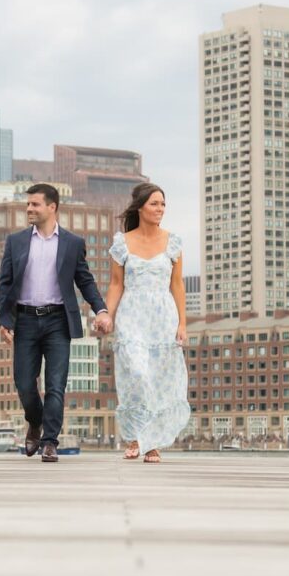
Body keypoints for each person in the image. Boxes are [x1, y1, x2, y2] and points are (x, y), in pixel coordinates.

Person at [0, 183, 112, 462]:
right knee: (24, 384)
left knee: (56, 384)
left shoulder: (72, 243)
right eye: (28, 205)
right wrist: (4, 320)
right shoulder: (16, 241)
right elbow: (5, 284)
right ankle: (34, 422)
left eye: (35, 204)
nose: (29, 209)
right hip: (24, 320)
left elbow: (85, 280)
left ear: (52, 207)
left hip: (58, 320)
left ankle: (50, 441)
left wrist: (102, 310)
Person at [103, 182, 191, 463]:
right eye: (154, 204)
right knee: (136, 374)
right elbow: (116, 284)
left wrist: (182, 323)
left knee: (158, 380)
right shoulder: (122, 242)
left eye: (163, 204)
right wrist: (106, 314)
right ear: (140, 207)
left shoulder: (173, 242)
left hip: (163, 317)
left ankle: (150, 443)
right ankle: (134, 435)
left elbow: (177, 286)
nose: (160, 209)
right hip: (132, 316)